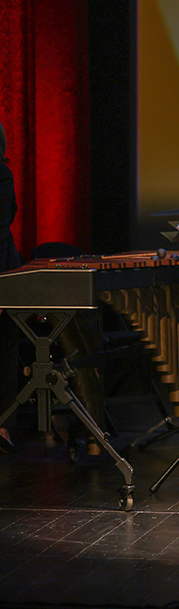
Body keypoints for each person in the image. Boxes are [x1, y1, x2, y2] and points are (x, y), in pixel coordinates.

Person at [0, 120, 23, 449]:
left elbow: (0, 228)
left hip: (2, 270)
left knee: (4, 347)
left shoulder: (1, 174)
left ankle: (2, 426)